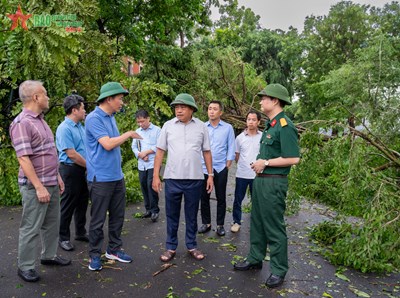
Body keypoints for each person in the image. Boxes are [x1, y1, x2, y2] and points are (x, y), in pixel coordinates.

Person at [233, 84, 300, 289]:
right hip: (261, 180)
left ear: (275, 101)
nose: (261, 101)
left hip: (274, 182)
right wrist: (260, 163)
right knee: (257, 221)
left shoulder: (284, 125)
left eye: (264, 98)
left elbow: (294, 158)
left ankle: (279, 270)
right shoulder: (271, 125)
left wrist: (266, 163)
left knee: (273, 225)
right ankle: (255, 258)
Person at [9, 80, 71, 282]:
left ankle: (49, 256)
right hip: (36, 186)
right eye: (45, 94)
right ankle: (25, 266)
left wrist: (57, 177)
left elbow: (48, 152)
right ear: (35, 97)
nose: (48, 97)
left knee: (52, 223)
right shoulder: (22, 123)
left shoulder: (40, 120)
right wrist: (38, 187)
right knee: (31, 226)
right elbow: (23, 158)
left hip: (51, 181)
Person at [85, 82, 142, 271]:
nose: (122, 102)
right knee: (98, 219)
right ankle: (94, 254)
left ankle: (114, 249)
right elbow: (108, 144)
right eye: (120, 98)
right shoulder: (93, 118)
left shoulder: (111, 117)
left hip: (117, 177)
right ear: (108, 99)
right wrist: (128, 134)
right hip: (100, 178)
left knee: (118, 216)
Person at [152, 93, 213, 262]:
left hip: (195, 178)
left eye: (182, 107)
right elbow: (160, 151)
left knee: (192, 214)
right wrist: (156, 175)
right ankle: (170, 247)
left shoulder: (201, 127)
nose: (178, 110)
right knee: (172, 214)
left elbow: (207, 152)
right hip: (172, 178)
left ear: (192, 109)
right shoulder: (168, 126)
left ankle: (192, 245)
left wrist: (211, 176)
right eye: (176, 107)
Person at [56, 94, 89, 251]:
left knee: (82, 201)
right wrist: (90, 166)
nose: (85, 111)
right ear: (74, 110)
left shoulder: (80, 127)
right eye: (83, 108)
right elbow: (72, 154)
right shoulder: (64, 128)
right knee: (68, 204)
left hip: (82, 169)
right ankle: (63, 238)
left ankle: (80, 232)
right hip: (70, 169)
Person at [198, 101, 235, 236]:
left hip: (220, 168)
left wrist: (228, 165)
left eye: (215, 109)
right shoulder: (202, 127)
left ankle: (220, 225)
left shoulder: (228, 128)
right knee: (204, 197)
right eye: (209, 109)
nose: (211, 111)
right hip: (203, 168)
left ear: (221, 112)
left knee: (221, 197)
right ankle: (206, 223)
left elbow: (231, 146)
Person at [231, 111, 262, 233]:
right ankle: (236, 222)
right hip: (242, 174)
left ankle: (256, 223)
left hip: (258, 175)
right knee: (238, 199)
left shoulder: (263, 136)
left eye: (254, 119)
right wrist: (243, 166)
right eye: (249, 119)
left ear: (258, 122)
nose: (251, 122)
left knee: (257, 200)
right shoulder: (240, 138)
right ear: (246, 121)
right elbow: (237, 156)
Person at [131, 109, 161, 222]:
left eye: (142, 121)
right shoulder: (137, 131)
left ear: (148, 118)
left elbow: (159, 145)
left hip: (153, 163)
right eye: (138, 122)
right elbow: (133, 146)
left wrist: (147, 152)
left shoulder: (157, 130)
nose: (140, 124)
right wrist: (140, 155)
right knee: (143, 185)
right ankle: (148, 209)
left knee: (151, 185)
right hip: (142, 163)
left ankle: (155, 210)